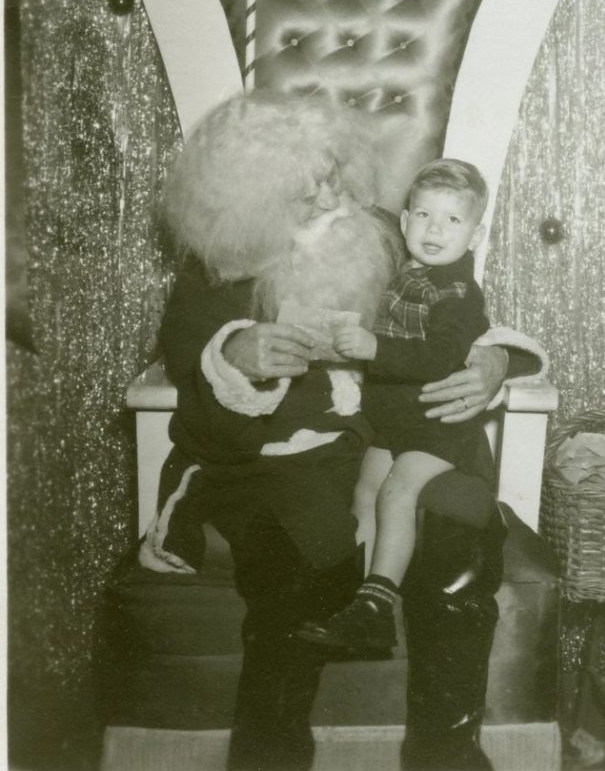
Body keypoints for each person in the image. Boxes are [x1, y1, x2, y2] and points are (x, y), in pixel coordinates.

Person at [138, 92, 542, 771]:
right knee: (305, 558)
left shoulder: (387, 233)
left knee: (457, 534)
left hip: (394, 447)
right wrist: (233, 357)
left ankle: (445, 754)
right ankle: (271, 758)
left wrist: (498, 361)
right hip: (270, 464)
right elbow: (200, 415)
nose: (330, 196)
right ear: (245, 195)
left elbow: (462, 312)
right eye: (304, 188)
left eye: (333, 174)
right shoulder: (209, 274)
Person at [299, 159, 492, 652]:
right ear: (405, 222)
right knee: (365, 490)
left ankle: (378, 603)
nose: (435, 229)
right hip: (394, 421)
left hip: (438, 427)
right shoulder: (404, 269)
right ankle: (358, 603)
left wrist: (374, 349)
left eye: (453, 220)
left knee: (396, 492)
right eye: (424, 215)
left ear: (476, 233)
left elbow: (444, 355)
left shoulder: (456, 290)